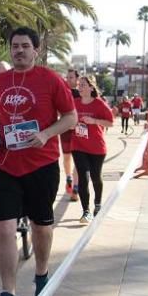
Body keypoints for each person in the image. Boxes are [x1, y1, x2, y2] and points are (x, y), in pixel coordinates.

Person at [0, 27, 77, 296]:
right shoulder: (0, 81)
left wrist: (47, 134)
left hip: (42, 165)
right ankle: (8, 294)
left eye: (25, 45)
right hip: (7, 166)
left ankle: (41, 273)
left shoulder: (50, 79)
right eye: (15, 46)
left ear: (36, 50)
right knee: (5, 229)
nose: (19, 50)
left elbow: (71, 117)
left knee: (40, 226)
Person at [70, 76, 114, 224]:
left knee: (96, 177)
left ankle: (98, 204)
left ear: (91, 87)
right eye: (78, 85)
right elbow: (67, 119)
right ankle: (86, 211)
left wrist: (94, 121)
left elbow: (111, 122)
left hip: (96, 147)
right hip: (78, 145)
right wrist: (70, 124)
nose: (80, 87)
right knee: (83, 177)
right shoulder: (74, 103)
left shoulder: (99, 104)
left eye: (83, 85)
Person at [60, 70, 81, 202]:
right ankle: (68, 177)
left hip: (79, 131)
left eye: (71, 77)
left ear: (77, 79)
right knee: (67, 157)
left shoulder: (82, 94)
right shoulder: (62, 93)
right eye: (67, 77)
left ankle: (76, 188)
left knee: (78, 158)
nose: (68, 79)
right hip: (65, 129)